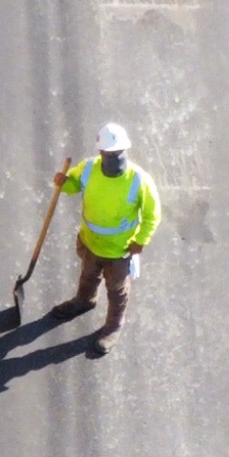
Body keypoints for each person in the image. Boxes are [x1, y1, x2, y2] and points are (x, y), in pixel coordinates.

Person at [49, 124, 163, 355]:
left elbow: (153, 215)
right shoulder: (89, 168)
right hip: (91, 242)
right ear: (100, 152)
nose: (113, 157)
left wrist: (140, 240)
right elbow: (73, 185)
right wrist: (63, 182)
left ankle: (113, 326)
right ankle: (85, 300)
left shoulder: (139, 180)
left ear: (126, 150)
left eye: (118, 152)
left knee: (117, 290)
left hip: (120, 250)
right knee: (88, 275)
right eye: (108, 153)